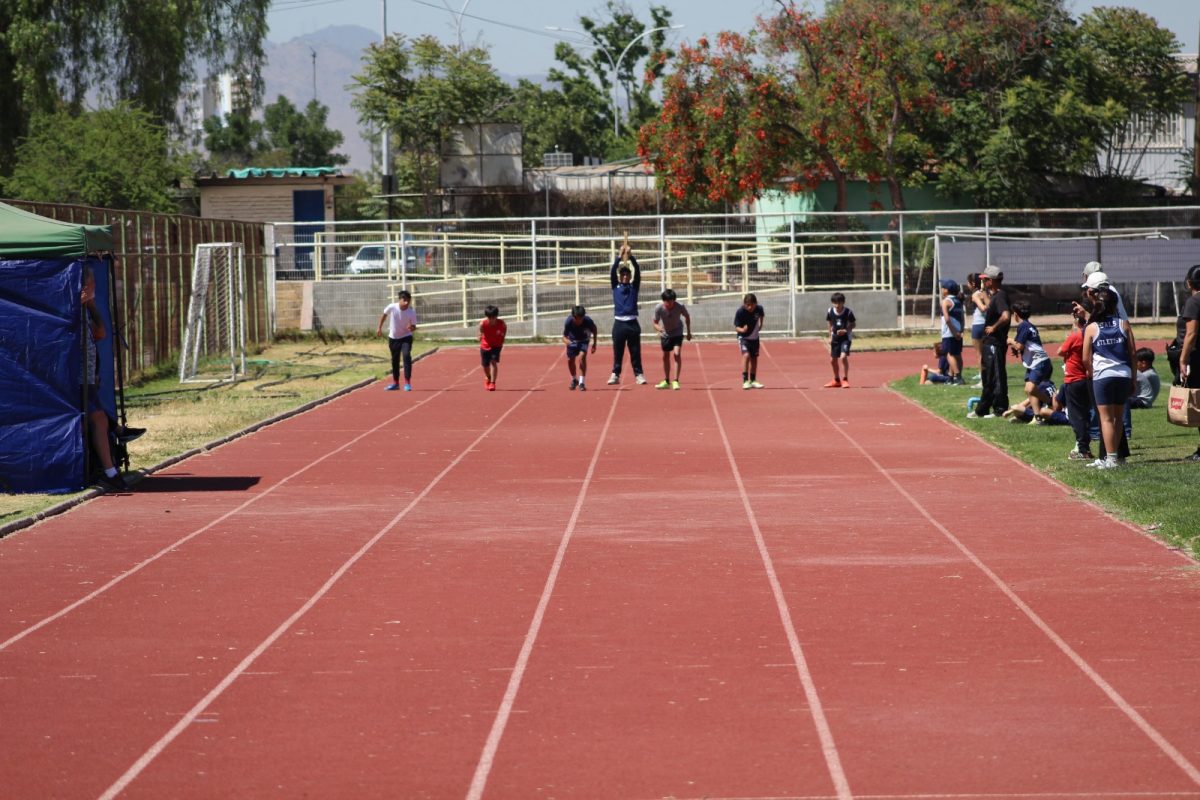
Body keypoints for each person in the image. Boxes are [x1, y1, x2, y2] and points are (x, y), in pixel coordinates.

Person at [81, 267, 129, 492]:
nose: (94, 288)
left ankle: (107, 466)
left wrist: (90, 304)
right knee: (98, 419)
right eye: (92, 284)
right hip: (76, 378)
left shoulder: (85, 310)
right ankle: (109, 472)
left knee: (99, 419)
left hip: (89, 376)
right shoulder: (68, 309)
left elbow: (100, 333)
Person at [1082, 286, 1136, 469]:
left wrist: (1092, 372)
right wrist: (1133, 378)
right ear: (1115, 305)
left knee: (1105, 418)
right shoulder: (1124, 324)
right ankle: (1118, 458)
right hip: (1123, 374)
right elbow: (1133, 353)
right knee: (1118, 417)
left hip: (1103, 376)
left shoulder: (1091, 328)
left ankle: (1111, 458)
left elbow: (1085, 358)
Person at [967, 265, 1011, 419]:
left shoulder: (1000, 297)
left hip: (995, 343)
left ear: (991, 281)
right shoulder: (995, 296)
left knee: (996, 376)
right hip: (989, 343)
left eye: (985, 280)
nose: (983, 282)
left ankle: (1000, 408)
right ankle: (983, 409)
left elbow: (1006, 316)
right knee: (988, 377)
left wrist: (994, 327)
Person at [1058, 300, 1094, 461]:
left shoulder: (1075, 336)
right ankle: (1084, 446)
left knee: (1075, 416)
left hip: (1074, 379)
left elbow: (1060, 351)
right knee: (1085, 414)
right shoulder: (1089, 335)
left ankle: (1082, 448)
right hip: (1086, 378)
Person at [608, 241, 646, 385]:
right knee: (618, 351)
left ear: (630, 276)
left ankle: (639, 374)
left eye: (627, 274)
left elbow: (637, 270)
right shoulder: (615, 286)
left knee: (635, 351)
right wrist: (619, 256)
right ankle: (615, 374)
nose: (625, 276)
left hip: (632, 323)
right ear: (620, 276)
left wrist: (630, 256)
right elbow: (612, 271)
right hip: (619, 323)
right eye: (622, 274)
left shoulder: (634, 287)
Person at [1174, 264, 1200, 461]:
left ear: (1190, 283)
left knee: (1198, 402)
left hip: (1197, 358)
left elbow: (1191, 333)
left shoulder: (1194, 301)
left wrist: (1183, 359)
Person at [1009, 301, 1052, 418]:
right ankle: (1037, 417)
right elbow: (1023, 344)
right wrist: (1016, 348)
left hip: (1039, 362)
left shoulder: (1023, 325)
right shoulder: (1029, 325)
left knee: (1030, 389)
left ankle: (1050, 402)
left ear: (1016, 314)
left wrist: (1010, 341)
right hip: (1034, 362)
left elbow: (1019, 345)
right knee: (1029, 390)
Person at [377, 289, 417, 391]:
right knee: (395, 360)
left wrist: (411, 328)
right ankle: (395, 383)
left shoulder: (411, 312)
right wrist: (379, 328)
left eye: (408, 301)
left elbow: (414, 326)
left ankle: (407, 383)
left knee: (406, 356)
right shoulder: (392, 307)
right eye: (405, 300)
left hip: (406, 337)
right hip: (393, 338)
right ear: (400, 300)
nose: (406, 303)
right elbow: (384, 315)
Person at [652, 288, 692, 390]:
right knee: (665, 356)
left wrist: (688, 332)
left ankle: (676, 381)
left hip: (677, 332)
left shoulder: (680, 306)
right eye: (667, 301)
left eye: (671, 301)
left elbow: (687, 317)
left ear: (674, 300)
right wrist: (659, 329)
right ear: (663, 301)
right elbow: (655, 322)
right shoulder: (659, 308)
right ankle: (666, 381)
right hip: (665, 333)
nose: (669, 304)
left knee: (676, 354)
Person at [563, 305, 599, 391]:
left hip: (584, 340)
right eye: (577, 319)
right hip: (572, 341)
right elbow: (564, 337)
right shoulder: (568, 322)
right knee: (570, 360)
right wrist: (568, 342)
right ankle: (574, 380)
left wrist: (594, 344)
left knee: (581, 358)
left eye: (581, 318)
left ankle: (581, 382)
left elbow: (594, 330)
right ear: (573, 317)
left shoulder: (588, 321)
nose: (579, 321)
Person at [734, 293, 765, 389]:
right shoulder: (740, 312)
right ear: (744, 304)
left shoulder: (759, 309)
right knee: (746, 355)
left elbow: (762, 316)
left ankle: (753, 380)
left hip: (755, 338)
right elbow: (736, 327)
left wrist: (761, 325)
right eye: (747, 305)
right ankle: (745, 381)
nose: (750, 307)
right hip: (744, 338)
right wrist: (742, 330)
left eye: (752, 305)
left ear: (756, 303)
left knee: (754, 358)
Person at [825, 292, 856, 388]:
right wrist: (830, 336)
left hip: (845, 338)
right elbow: (830, 324)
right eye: (835, 303)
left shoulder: (848, 312)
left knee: (843, 357)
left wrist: (845, 330)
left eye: (839, 303)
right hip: (835, 338)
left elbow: (853, 324)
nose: (837, 305)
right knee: (832, 360)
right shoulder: (830, 311)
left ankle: (845, 379)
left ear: (843, 302)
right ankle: (836, 380)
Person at [939, 278, 965, 384]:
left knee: (949, 354)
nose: (941, 289)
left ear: (946, 290)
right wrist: (961, 330)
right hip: (958, 331)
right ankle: (951, 377)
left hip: (949, 332)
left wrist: (953, 332)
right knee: (957, 354)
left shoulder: (945, 302)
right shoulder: (958, 301)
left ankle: (958, 376)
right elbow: (962, 317)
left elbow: (947, 319)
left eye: (942, 288)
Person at [478, 305, 507, 391]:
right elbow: (480, 332)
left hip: (496, 345)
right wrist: (479, 336)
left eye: (493, 318)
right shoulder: (483, 324)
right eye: (489, 318)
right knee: (485, 365)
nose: (491, 320)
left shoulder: (501, 324)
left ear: (496, 316)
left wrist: (502, 337)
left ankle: (492, 383)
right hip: (485, 345)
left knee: (493, 362)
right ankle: (488, 377)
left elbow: (504, 329)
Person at [967, 271, 989, 383]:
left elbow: (983, 308)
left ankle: (982, 379)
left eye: (968, 282)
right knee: (986, 353)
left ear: (973, 283)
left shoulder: (976, 294)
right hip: (987, 324)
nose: (967, 285)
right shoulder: (988, 293)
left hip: (978, 325)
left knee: (979, 354)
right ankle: (983, 374)